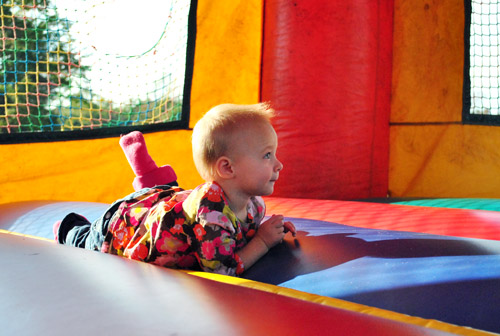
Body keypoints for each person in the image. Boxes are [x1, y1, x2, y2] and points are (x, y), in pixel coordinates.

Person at [55, 102, 296, 276]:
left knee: (170, 199)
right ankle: (67, 228)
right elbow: (222, 269)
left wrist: (269, 229)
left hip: (163, 208)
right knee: (85, 240)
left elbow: (236, 234)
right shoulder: (210, 211)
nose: (279, 164)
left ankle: (147, 173)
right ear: (227, 168)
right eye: (267, 155)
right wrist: (263, 241)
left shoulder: (254, 203)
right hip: (120, 229)